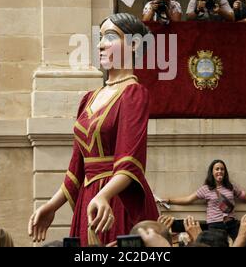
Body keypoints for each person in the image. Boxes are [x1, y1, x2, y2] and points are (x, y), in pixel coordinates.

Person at [28, 13, 159, 246]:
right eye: (100, 37)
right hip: (90, 200)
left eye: (110, 37)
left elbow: (130, 162)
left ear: (134, 44)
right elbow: (76, 169)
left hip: (116, 201)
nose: (100, 44)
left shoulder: (133, 94)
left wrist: (104, 194)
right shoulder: (88, 98)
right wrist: (52, 205)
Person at [163, 159, 246, 241]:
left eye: (222, 169)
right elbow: (188, 199)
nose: (220, 171)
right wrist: (169, 200)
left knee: (243, 242)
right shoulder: (206, 189)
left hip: (232, 224)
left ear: (225, 172)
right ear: (212, 172)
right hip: (215, 225)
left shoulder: (231, 187)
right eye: (217, 169)